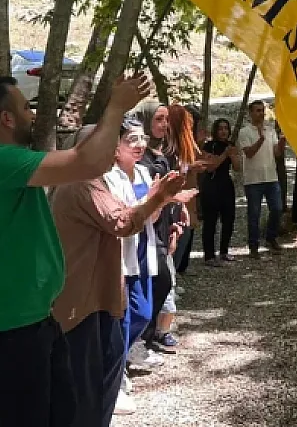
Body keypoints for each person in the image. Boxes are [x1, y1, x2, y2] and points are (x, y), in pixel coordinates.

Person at [0, 73, 150, 427]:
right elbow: (86, 163)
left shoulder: (10, 165)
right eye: (25, 109)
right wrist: (116, 108)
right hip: (6, 331)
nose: (32, 116)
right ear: (7, 119)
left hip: (36, 321)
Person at [50, 122, 188, 424]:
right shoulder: (82, 183)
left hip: (96, 297)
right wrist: (160, 196)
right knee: (90, 386)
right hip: (83, 303)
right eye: (107, 146)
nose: (114, 152)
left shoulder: (90, 181)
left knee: (102, 374)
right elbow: (124, 222)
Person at [100, 119, 162, 412]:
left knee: (144, 312)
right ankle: (116, 379)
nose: (139, 145)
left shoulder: (144, 172)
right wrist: (152, 199)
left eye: (142, 138)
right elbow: (120, 217)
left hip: (141, 249)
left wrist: (163, 200)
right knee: (125, 315)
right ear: (115, 148)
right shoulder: (108, 178)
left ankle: (123, 357)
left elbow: (151, 217)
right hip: (121, 252)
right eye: (131, 140)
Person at [132, 101, 184, 356]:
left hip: (163, 225)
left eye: (166, 120)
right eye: (158, 119)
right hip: (144, 229)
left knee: (163, 282)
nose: (164, 125)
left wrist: (176, 216)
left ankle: (149, 335)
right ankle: (139, 339)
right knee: (158, 279)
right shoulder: (141, 156)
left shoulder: (165, 152)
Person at [238, 100, 287, 257]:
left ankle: (270, 238)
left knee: (277, 208)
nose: (261, 113)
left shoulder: (270, 130)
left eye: (262, 110)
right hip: (253, 180)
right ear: (250, 113)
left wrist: (281, 142)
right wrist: (260, 139)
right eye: (257, 110)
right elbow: (249, 153)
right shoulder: (244, 132)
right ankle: (253, 246)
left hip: (271, 177)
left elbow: (277, 154)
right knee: (254, 214)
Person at [199, 118, 241, 266]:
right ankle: (209, 255)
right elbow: (210, 167)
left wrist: (233, 155)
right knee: (210, 221)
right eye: (220, 128)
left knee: (229, 219)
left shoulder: (230, 145)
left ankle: (224, 251)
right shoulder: (209, 146)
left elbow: (237, 167)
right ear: (216, 131)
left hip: (226, 184)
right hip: (211, 185)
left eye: (226, 128)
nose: (224, 131)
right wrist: (224, 154)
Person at [166, 105, 202, 275]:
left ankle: (172, 282)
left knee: (182, 241)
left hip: (182, 204)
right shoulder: (168, 149)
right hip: (171, 205)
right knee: (173, 245)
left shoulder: (181, 147)